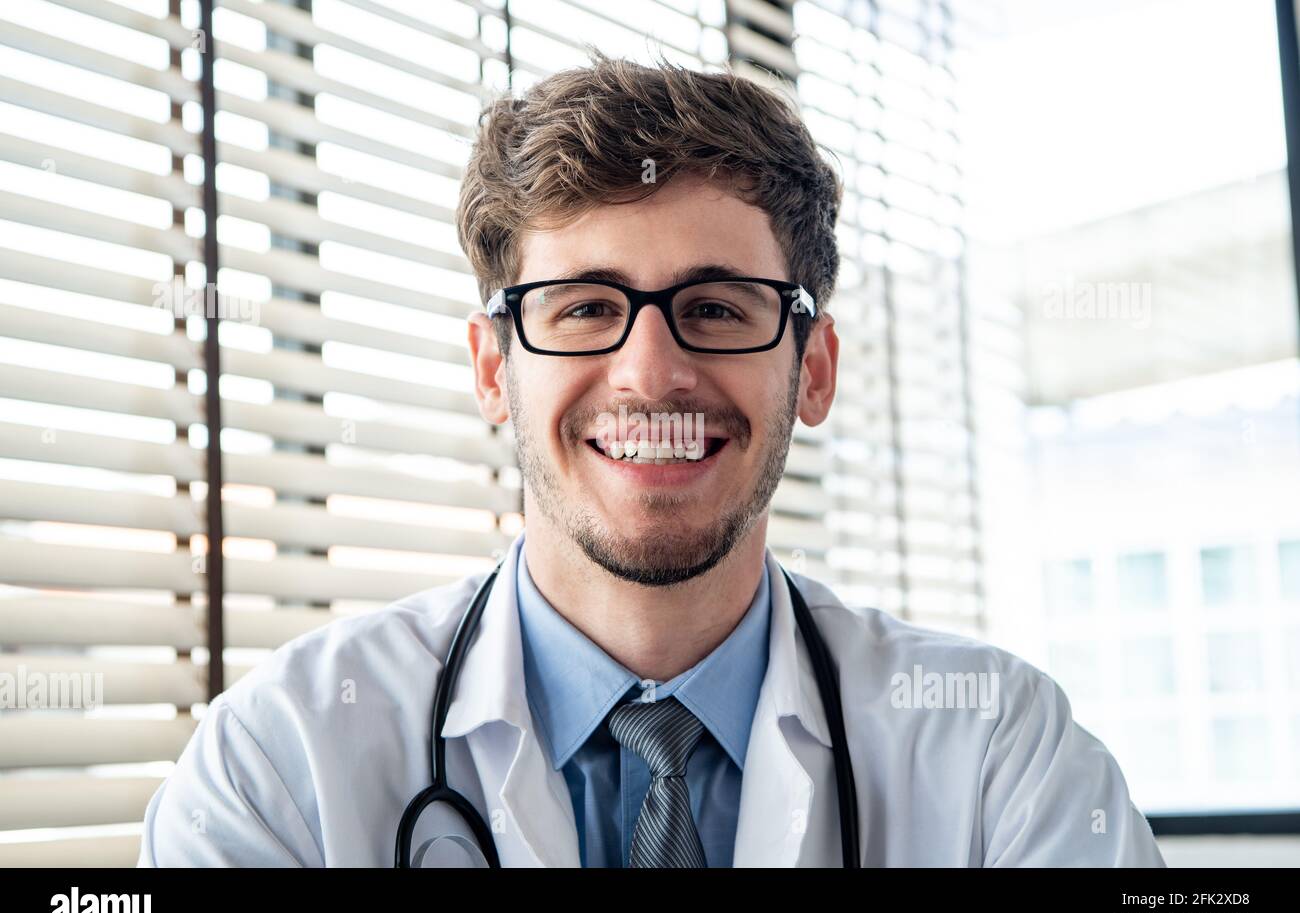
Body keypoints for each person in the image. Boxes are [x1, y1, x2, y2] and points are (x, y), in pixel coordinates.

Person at [138, 55, 1164, 867]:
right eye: (585, 308)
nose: (649, 372)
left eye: (715, 309)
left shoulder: (999, 754)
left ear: (812, 371)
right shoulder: (280, 760)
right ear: (495, 370)